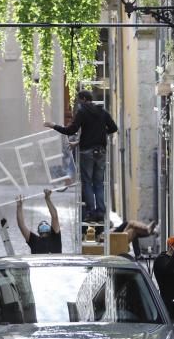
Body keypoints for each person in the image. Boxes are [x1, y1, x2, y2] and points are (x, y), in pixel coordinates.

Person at [44, 89, 118, 222]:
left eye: (79, 100)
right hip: (100, 151)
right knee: (99, 183)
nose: (79, 103)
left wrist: (53, 125)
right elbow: (113, 128)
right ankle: (101, 212)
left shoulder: (82, 112)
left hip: (87, 153)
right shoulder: (102, 112)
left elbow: (70, 130)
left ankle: (91, 211)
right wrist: (99, 134)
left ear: (83, 99)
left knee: (87, 183)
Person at [16, 188, 62, 254]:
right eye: (42, 225)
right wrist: (19, 207)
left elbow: (55, 217)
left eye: (45, 224)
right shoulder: (34, 240)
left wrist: (47, 199)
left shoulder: (55, 237)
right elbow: (21, 225)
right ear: (38, 231)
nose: (44, 224)